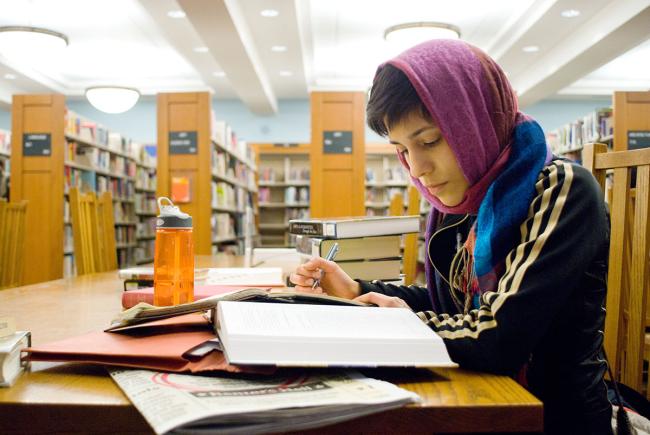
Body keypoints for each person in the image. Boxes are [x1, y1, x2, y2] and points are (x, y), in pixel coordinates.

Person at [290, 39, 612, 434]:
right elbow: (452, 303)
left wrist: (392, 323)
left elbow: (497, 335)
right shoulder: (460, 201)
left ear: (472, 123)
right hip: (479, 397)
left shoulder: (561, 188)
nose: (418, 168)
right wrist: (356, 289)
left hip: (549, 416)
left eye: (429, 141)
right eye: (403, 151)